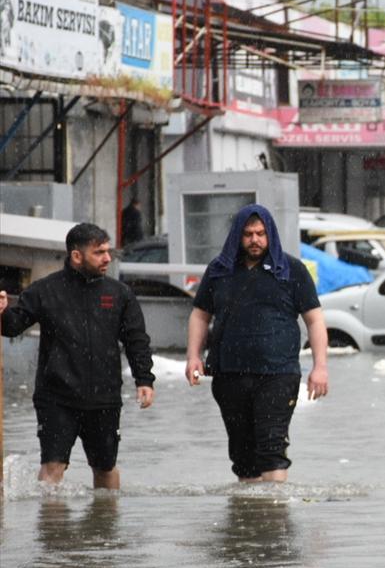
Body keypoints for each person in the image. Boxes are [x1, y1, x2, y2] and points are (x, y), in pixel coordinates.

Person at [0, 223, 155, 490]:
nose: (107, 258)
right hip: (57, 397)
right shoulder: (45, 290)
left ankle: (105, 526)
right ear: (76, 256)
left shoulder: (119, 294)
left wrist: (144, 379)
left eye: (108, 251)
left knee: (105, 468)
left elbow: (136, 340)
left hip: (104, 397)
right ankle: (51, 529)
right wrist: (2, 312)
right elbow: (12, 326)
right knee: (52, 468)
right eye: (99, 252)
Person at [185, 204, 329, 483]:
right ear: (238, 235)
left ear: (270, 235)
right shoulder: (220, 270)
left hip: (278, 373)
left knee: (272, 446)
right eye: (248, 234)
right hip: (229, 373)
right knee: (242, 455)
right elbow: (200, 315)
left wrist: (320, 366)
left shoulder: (290, 270)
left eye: (261, 233)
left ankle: (273, 518)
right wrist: (193, 355)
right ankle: (249, 521)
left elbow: (315, 320)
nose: (255, 240)